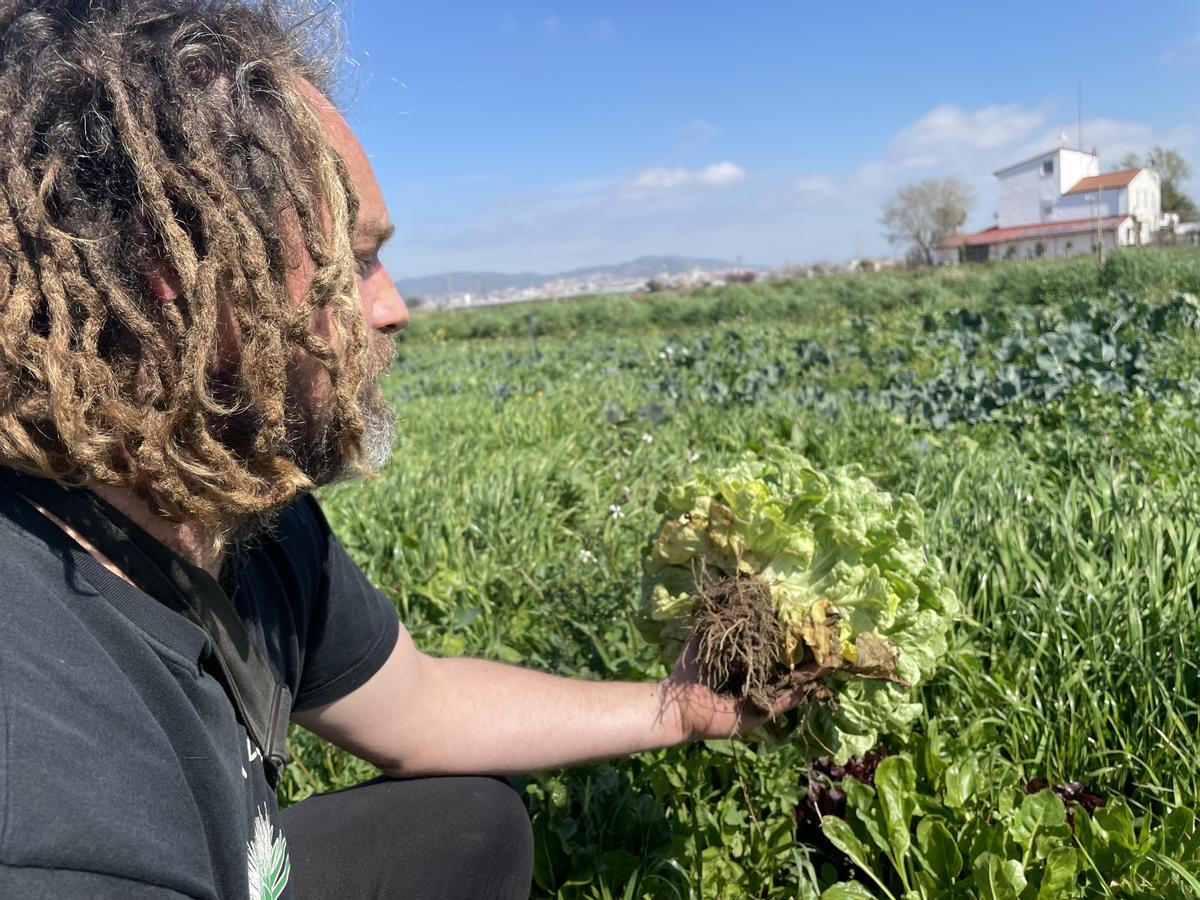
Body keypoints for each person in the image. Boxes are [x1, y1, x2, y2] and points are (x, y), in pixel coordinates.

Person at [0, 2, 825, 897]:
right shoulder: (46, 765)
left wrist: (686, 709)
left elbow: (420, 708)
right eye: (353, 262)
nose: (393, 305)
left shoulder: (238, 514)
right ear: (182, 279)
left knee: (469, 826)